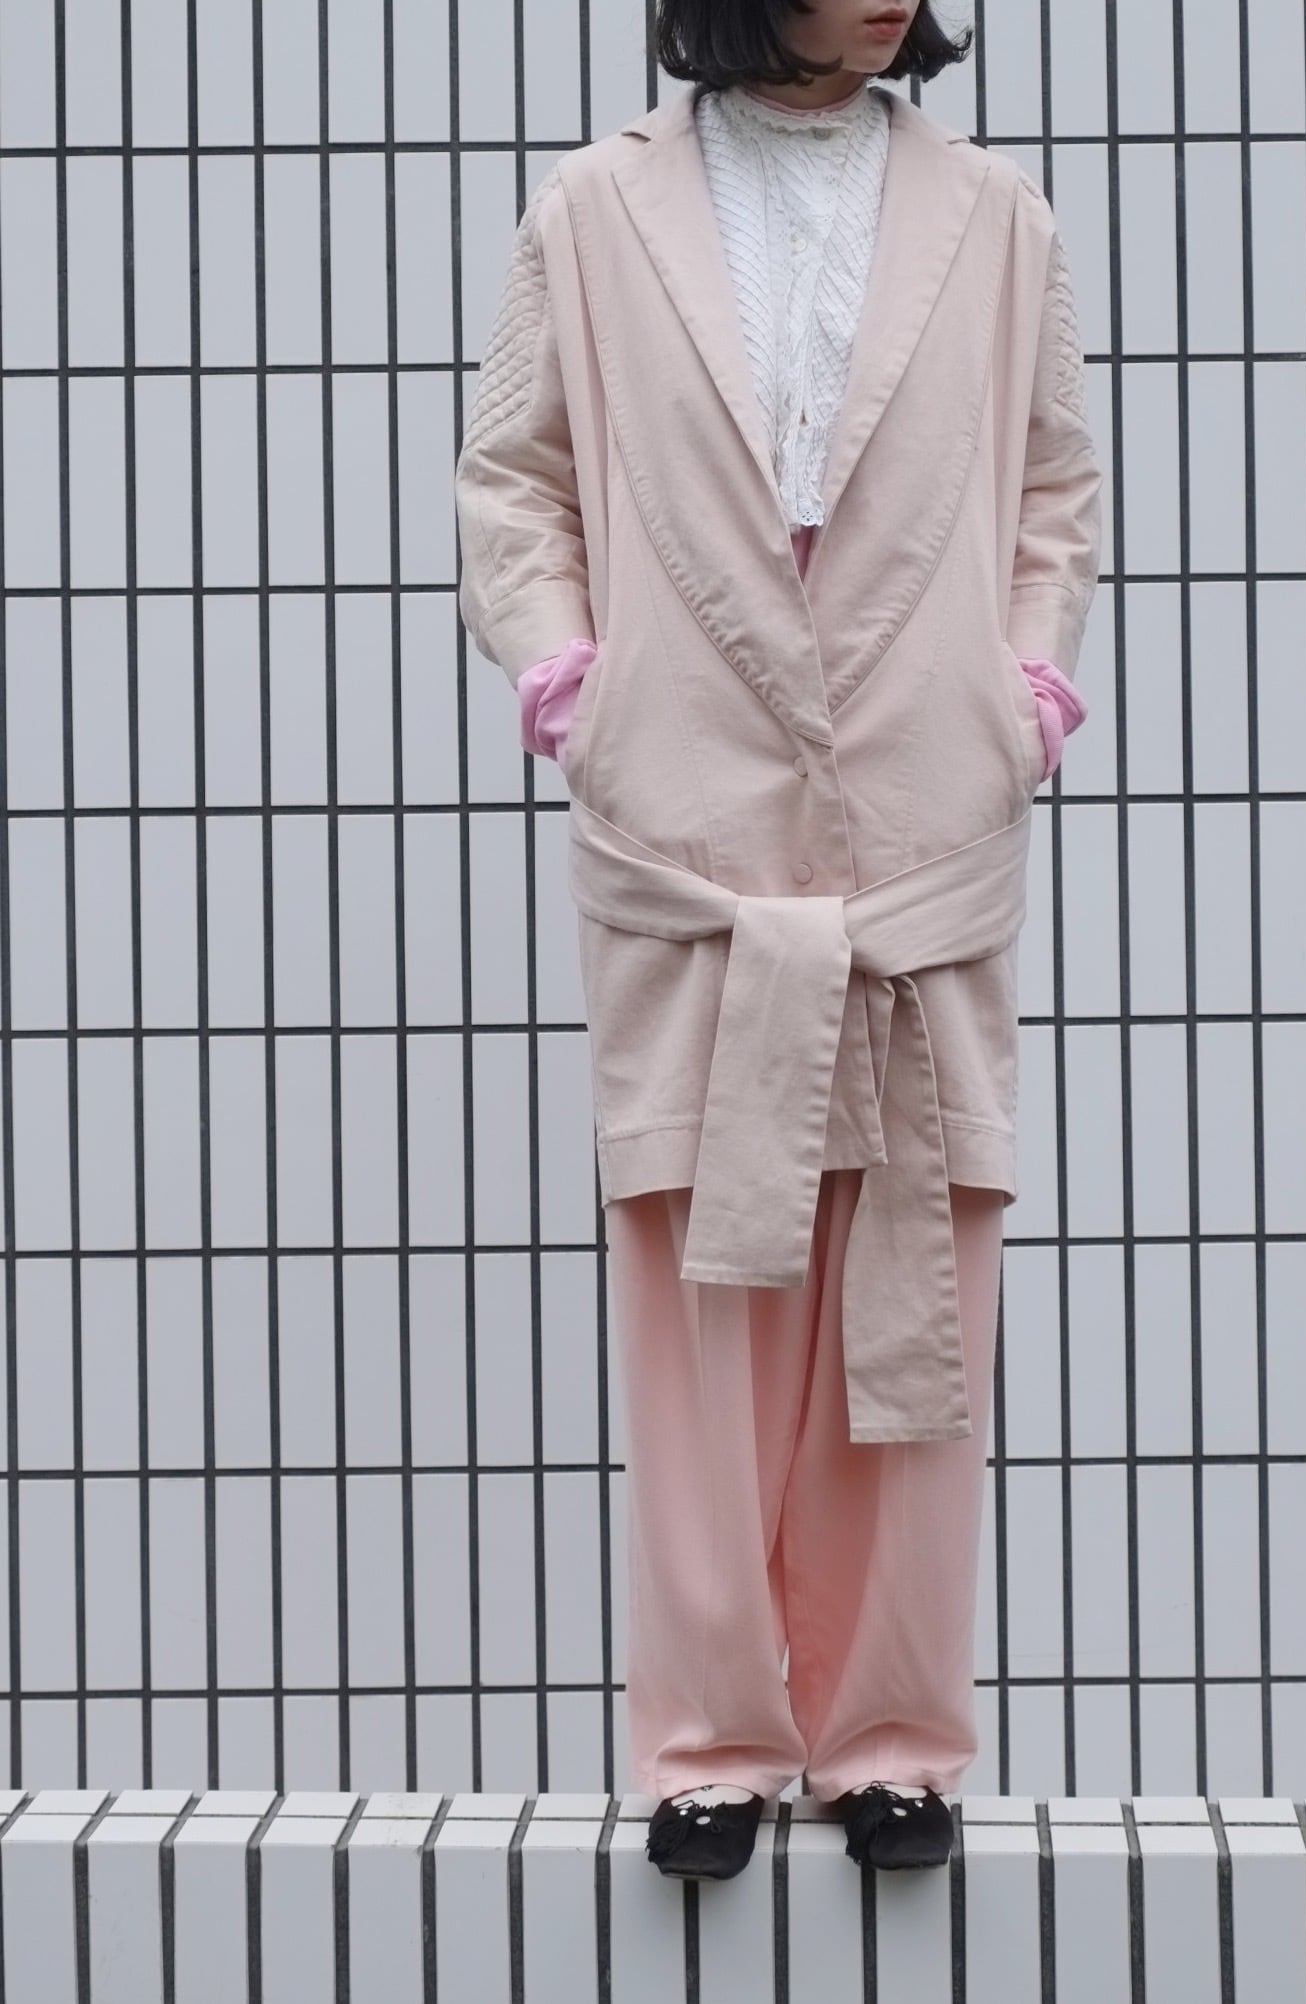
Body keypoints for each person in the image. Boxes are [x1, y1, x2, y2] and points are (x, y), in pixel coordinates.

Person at [454, 0, 1102, 1882]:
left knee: (919, 1260)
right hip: (690, 818)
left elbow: (1053, 482)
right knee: (696, 1281)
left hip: (922, 814)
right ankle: (710, 1746)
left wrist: (1025, 687)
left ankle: (892, 1737)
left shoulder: (996, 216)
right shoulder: (596, 210)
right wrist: (567, 676)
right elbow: (516, 473)